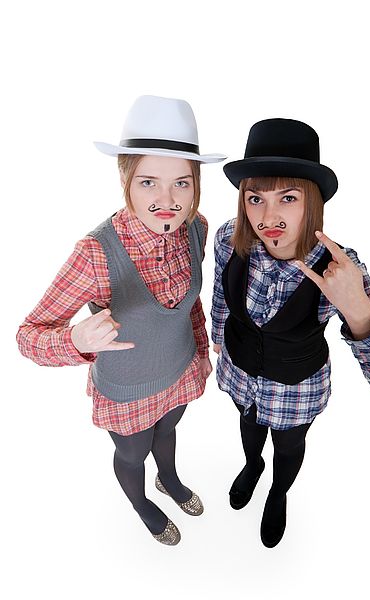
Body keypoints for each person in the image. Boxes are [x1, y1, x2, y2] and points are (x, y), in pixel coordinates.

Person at [17, 95, 225, 545]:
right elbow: (27, 336)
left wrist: (204, 342)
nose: (167, 200)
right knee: (133, 453)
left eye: (181, 184)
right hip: (128, 387)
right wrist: (75, 339)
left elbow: (189, 303)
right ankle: (142, 503)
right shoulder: (95, 254)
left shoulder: (197, 227)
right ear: (126, 179)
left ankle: (167, 480)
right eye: (149, 182)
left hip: (180, 367)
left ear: (196, 185)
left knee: (169, 430)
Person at [211, 118, 370, 548]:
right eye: (255, 198)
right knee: (247, 425)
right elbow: (221, 300)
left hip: (295, 389)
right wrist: (217, 340)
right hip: (240, 372)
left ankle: (278, 491)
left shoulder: (338, 269)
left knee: (288, 446)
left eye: (288, 197)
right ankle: (251, 465)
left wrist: (357, 308)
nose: (269, 216)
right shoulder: (229, 239)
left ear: (312, 202)